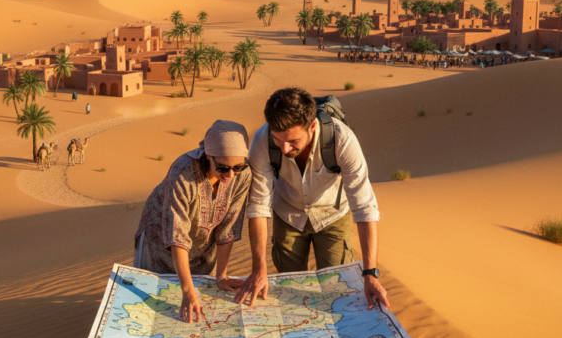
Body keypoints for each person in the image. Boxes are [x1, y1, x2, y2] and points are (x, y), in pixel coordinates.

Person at [234, 87, 389, 311]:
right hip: (287, 213)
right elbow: (258, 205)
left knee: (337, 289)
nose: (285, 148)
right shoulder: (262, 141)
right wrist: (259, 268)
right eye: (278, 140)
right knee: (290, 288)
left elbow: (365, 207)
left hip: (332, 215)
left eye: (294, 141)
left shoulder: (342, 140)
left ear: (313, 126)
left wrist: (370, 273)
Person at [134, 120, 251, 323]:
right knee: (154, 302)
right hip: (160, 238)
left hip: (204, 243)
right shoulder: (183, 172)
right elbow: (176, 233)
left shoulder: (243, 175)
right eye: (222, 167)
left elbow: (228, 227)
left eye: (238, 167)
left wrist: (222, 275)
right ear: (209, 156)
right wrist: (187, 290)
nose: (230, 175)